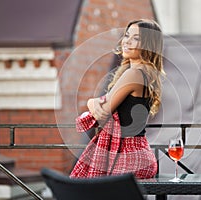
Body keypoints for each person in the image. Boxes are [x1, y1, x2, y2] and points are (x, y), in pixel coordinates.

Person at [70, 19, 164, 179]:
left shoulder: (134, 73)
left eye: (136, 38)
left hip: (128, 156)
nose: (127, 41)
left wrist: (91, 102)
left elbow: (103, 111)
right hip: (138, 153)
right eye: (127, 35)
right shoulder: (144, 72)